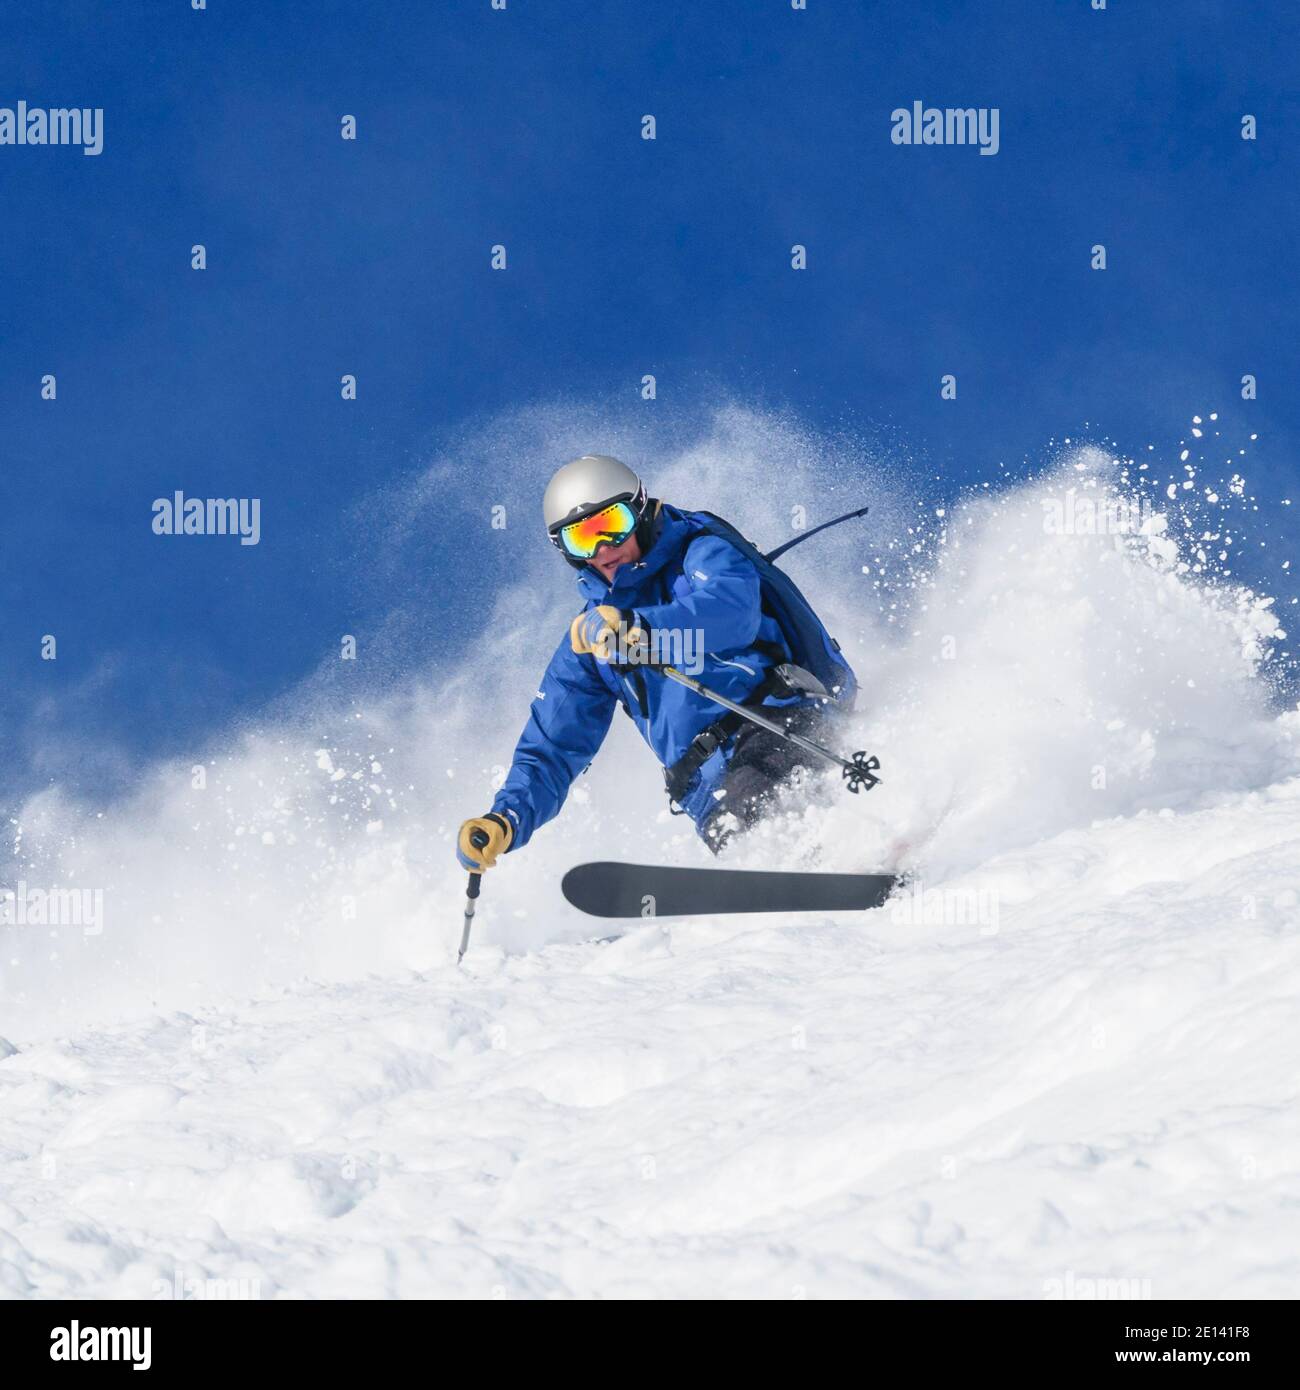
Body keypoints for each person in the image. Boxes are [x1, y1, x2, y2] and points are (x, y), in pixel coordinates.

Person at [456, 455, 856, 872]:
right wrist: (505, 820)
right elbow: (553, 748)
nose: (603, 549)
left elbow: (732, 613)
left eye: (611, 525)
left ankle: (857, 855)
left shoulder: (700, 554)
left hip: (778, 727)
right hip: (704, 791)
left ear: (640, 510)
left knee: (757, 812)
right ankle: (822, 882)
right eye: (581, 539)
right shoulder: (591, 640)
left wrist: (643, 627)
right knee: (741, 839)